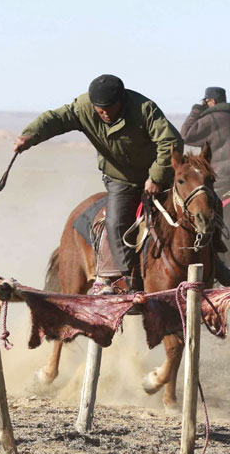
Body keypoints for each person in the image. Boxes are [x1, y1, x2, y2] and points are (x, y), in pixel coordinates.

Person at [13, 74, 183, 294]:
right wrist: (29, 136)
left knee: (199, 206)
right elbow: (55, 119)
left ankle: (218, 264)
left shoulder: (144, 109)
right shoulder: (84, 108)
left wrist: (157, 176)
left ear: (120, 101)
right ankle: (125, 278)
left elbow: (170, 141)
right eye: (98, 108)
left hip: (158, 177)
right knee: (115, 222)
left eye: (107, 107)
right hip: (121, 179)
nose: (102, 112)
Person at [180, 86, 230, 196]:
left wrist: (196, 110)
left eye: (205, 101)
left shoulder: (210, 120)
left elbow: (185, 135)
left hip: (220, 182)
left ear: (212, 101)